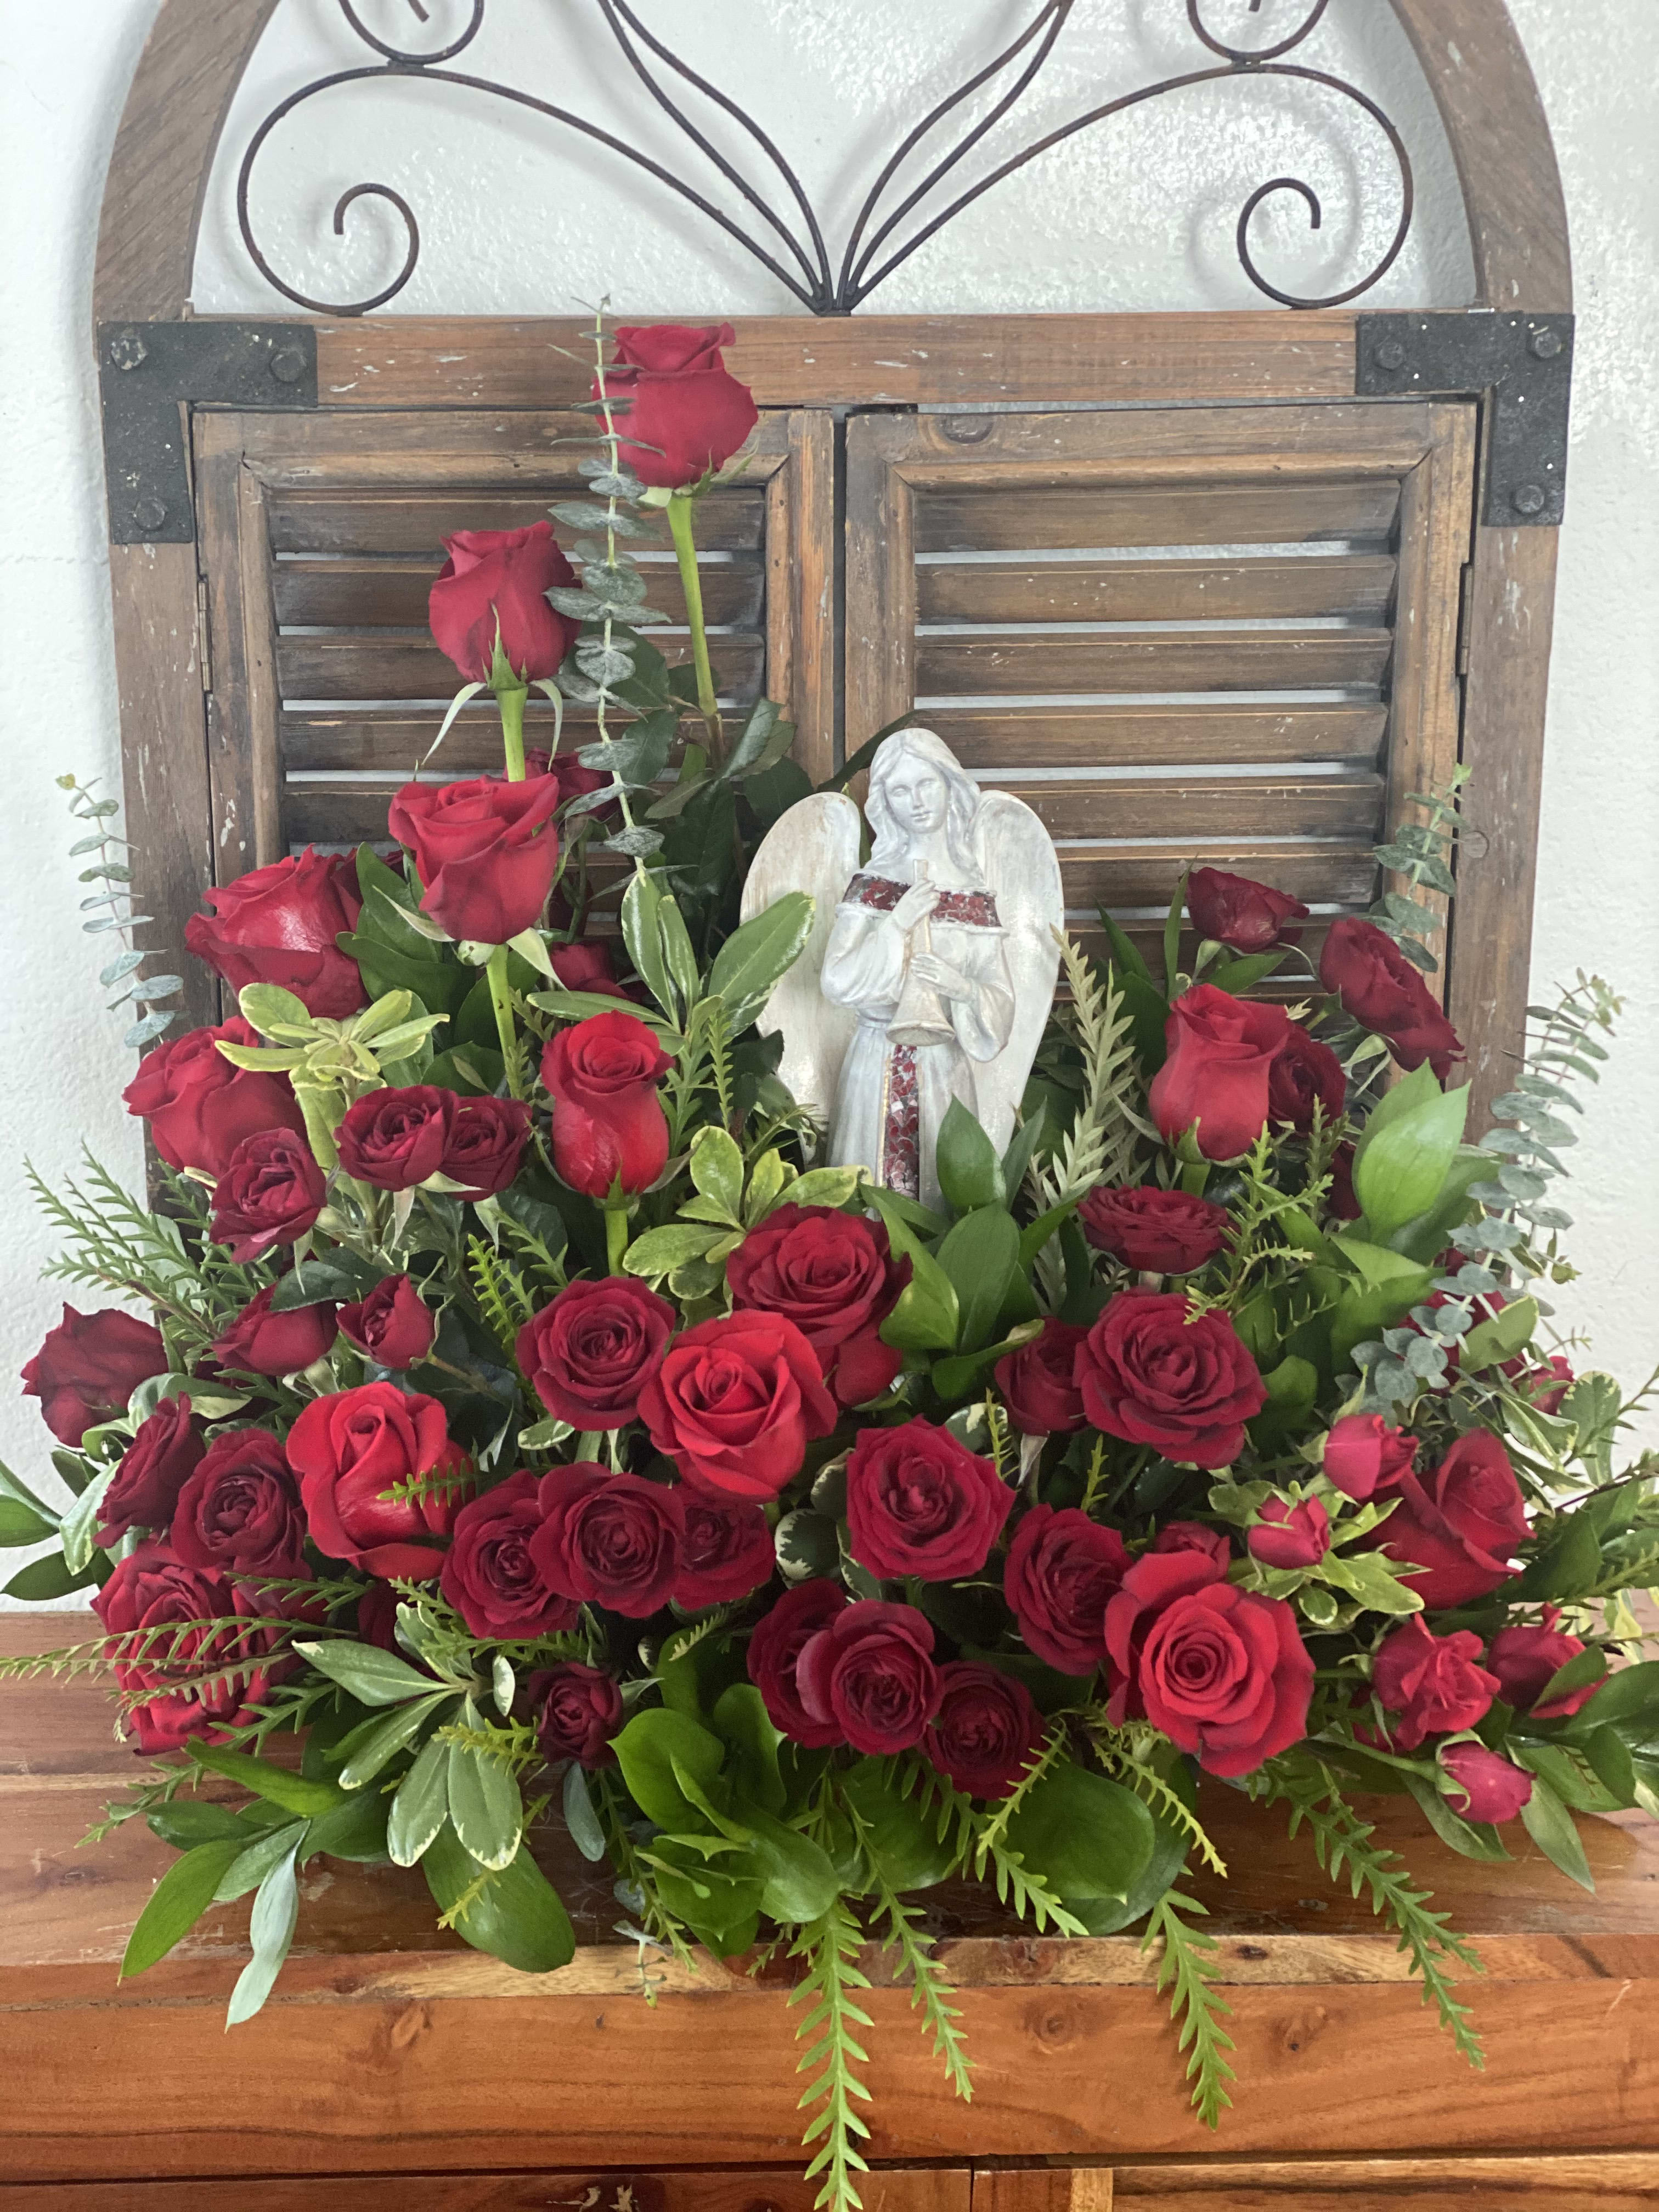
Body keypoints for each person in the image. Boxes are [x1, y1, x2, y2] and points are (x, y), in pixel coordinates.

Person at [820, 729, 1014, 1207]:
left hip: (944, 1064)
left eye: (927, 784)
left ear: (950, 786)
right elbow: (836, 980)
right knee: (869, 1195)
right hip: (876, 1058)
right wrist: (896, 924)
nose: (917, 802)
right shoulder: (873, 884)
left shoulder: (975, 893)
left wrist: (963, 989)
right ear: (885, 802)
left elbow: (1000, 995)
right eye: (901, 790)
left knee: (939, 1188)